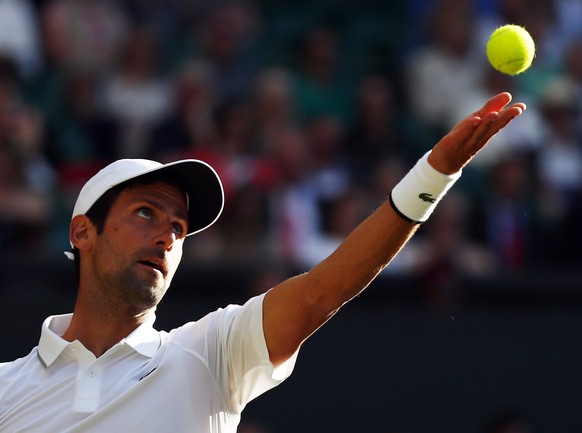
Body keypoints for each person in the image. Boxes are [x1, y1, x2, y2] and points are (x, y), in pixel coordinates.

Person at [0, 92, 525, 432]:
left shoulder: (210, 353)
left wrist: (433, 174)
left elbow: (323, 291)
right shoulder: (7, 389)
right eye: (146, 213)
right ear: (82, 232)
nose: (166, 235)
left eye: (179, 227)